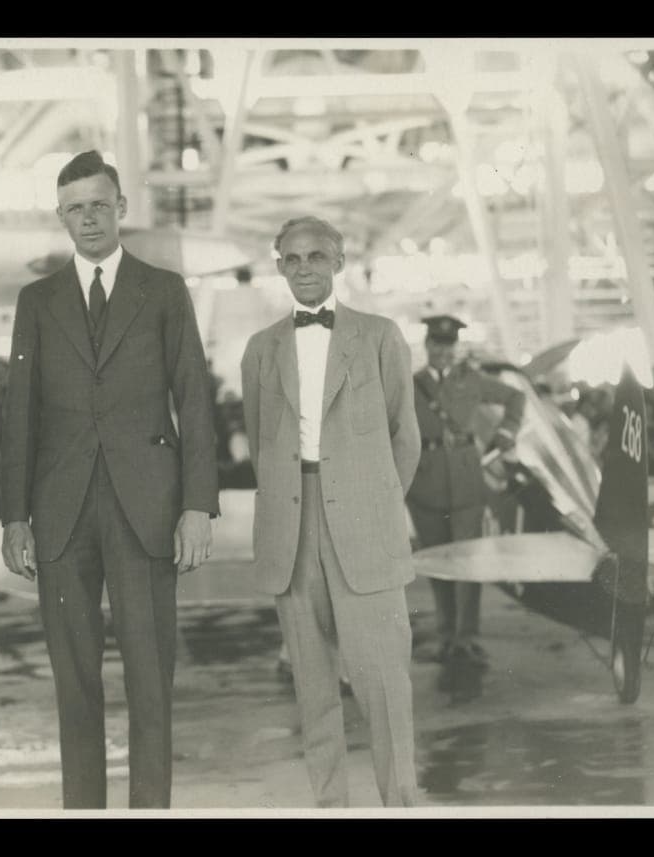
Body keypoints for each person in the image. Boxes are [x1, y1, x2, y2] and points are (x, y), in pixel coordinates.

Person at [0, 150, 219, 809]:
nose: (88, 218)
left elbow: (196, 398)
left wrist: (198, 507)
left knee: (151, 680)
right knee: (74, 683)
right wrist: (15, 515)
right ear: (60, 217)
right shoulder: (36, 301)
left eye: (99, 204)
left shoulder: (164, 289)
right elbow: (20, 412)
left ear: (122, 207)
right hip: (61, 510)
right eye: (75, 208)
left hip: (147, 506)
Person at [240, 215, 421, 808]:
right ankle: (330, 804)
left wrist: (378, 507)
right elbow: (261, 437)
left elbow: (406, 439)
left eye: (317, 256)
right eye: (292, 259)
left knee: (384, 686)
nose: (305, 269)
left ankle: (401, 801)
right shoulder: (261, 349)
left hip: (366, 527)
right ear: (279, 266)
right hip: (293, 530)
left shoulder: (380, 336)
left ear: (339, 263)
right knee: (313, 690)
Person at [405, 315, 524, 697]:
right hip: (425, 485)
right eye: (435, 345)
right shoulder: (410, 386)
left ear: (455, 347)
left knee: (468, 563)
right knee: (440, 563)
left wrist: (507, 432)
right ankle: (446, 636)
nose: (441, 351)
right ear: (427, 347)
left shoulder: (471, 380)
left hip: (468, 482)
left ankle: (467, 637)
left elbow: (515, 397)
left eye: (447, 345)